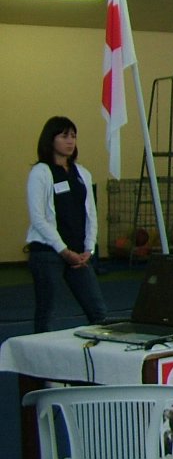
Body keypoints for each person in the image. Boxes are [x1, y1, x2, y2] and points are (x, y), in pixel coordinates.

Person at [26, 116, 108, 334]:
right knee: (48, 313)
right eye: (64, 136)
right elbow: (38, 218)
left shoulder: (82, 173)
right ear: (50, 140)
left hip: (79, 253)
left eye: (73, 136)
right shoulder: (40, 173)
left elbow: (91, 213)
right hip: (48, 252)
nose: (70, 141)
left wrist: (89, 248)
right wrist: (63, 250)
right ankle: (38, 363)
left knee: (99, 312)